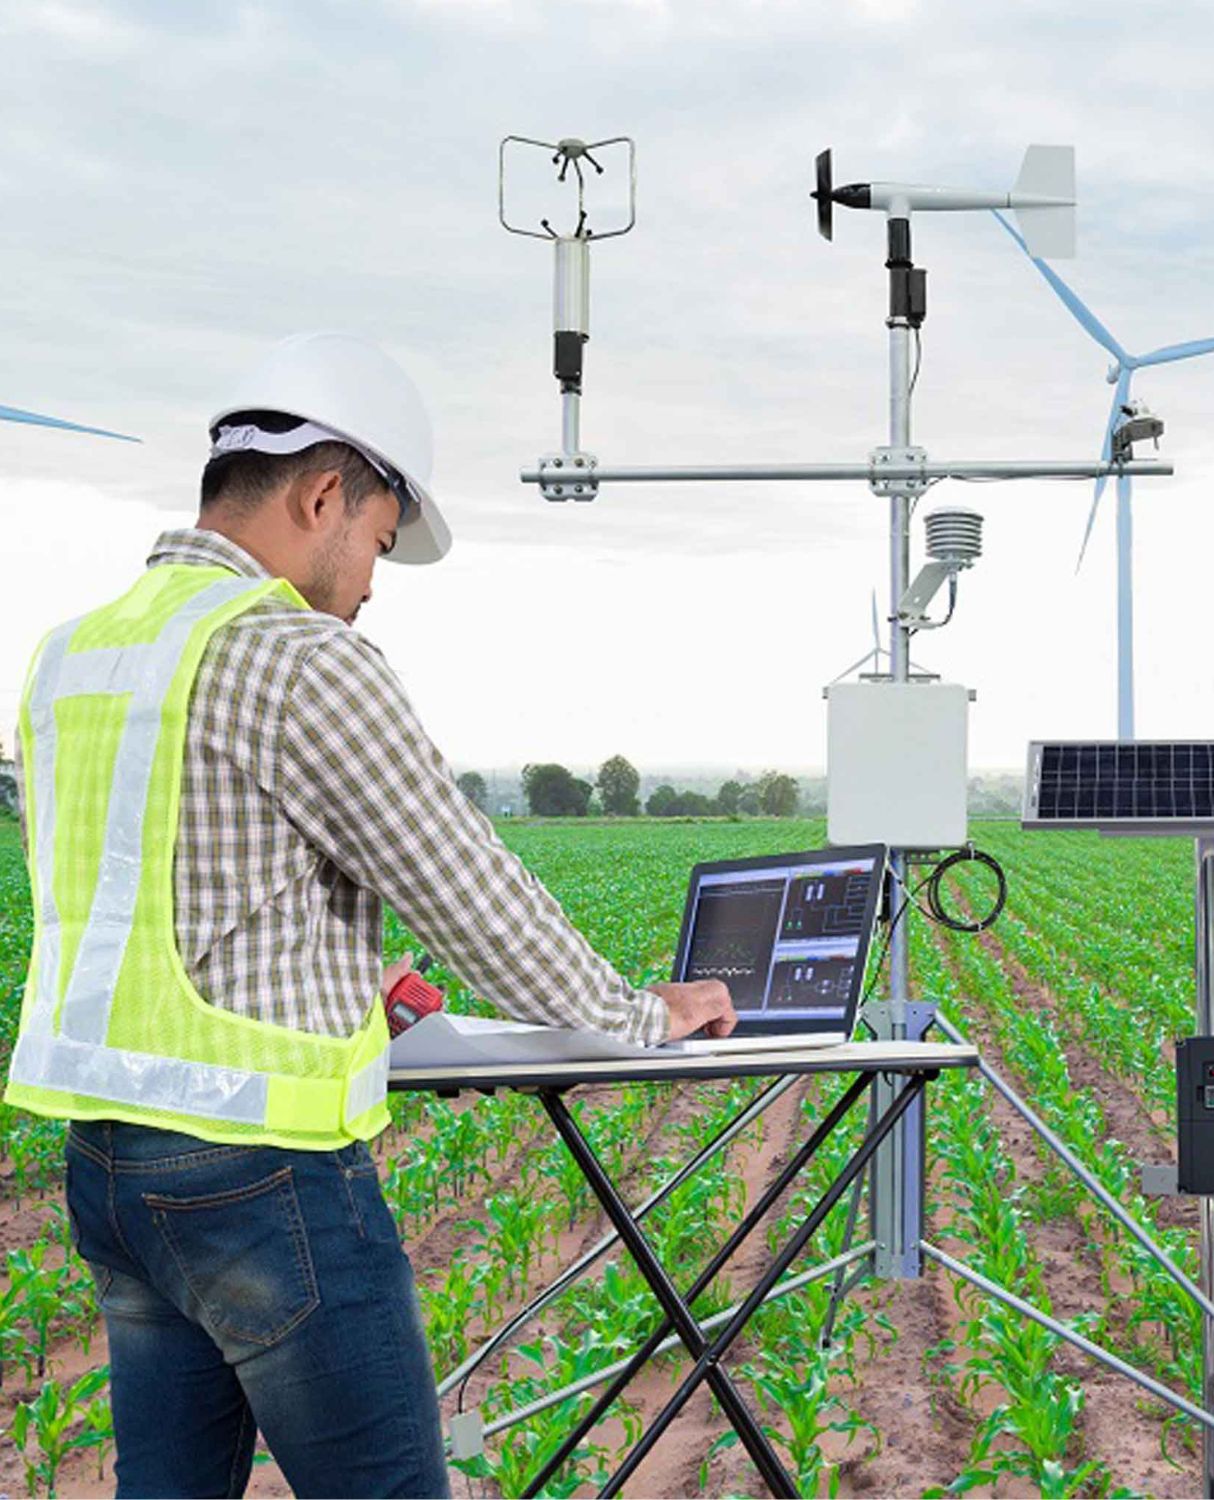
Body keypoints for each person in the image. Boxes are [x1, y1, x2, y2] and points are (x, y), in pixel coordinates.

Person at [4, 332, 735, 1499]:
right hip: (261, 1177)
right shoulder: (297, 657)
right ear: (326, 493)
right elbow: (475, 898)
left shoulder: (70, 657)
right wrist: (642, 1014)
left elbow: (145, 893)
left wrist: (352, 985)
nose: (371, 583)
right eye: (381, 543)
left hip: (107, 1166)